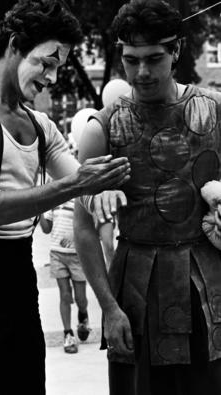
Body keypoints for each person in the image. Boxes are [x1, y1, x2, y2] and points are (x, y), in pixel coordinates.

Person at [0, 1, 131, 394]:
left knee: (27, 381)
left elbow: (85, 188)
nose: (52, 77)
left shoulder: (40, 124)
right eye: (46, 62)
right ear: (15, 45)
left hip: (18, 271)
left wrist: (106, 192)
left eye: (59, 67)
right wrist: (78, 186)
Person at [74, 1, 221, 394]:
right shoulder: (100, 129)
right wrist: (107, 307)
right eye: (130, 59)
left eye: (154, 58)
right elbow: (84, 226)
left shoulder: (215, 111)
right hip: (136, 294)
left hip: (211, 289)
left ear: (177, 50)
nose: (141, 72)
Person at [40, 198, 90, 354]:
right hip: (57, 255)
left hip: (78, 256)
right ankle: (68, 334)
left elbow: (88, 227)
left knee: (81, 298)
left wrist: (76, 240)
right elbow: (46, 228)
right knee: (65, 295)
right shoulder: (54, 199)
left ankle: (83, 316)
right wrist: (40, 211)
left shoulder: (80, 199)